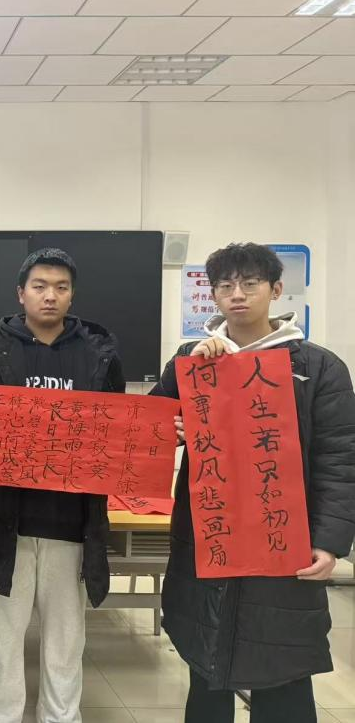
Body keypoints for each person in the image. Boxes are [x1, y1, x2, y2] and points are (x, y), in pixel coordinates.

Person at [151, 242, 355, 723]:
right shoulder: (190, 360)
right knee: (206, 664)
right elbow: (152, 429)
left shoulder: (317, 367)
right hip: (210, 537)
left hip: (283, 542)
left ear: (276, 290)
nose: (237, 294)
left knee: (282, 671)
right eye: (225, 285)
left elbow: (340, 457)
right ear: (213, 295)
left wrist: (329, 541)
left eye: (250, 283)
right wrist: (188, 380)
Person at [0, 247, 125, 723]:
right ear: (20, 293)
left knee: (66, 640)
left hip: (73, 521)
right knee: (2, 638)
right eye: (40, 286)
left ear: (72, 295)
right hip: (7, 520)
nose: (50, 296)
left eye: (61, 288)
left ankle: (60, 717)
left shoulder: (99, 353)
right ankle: (0, 717)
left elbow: (116, 430)